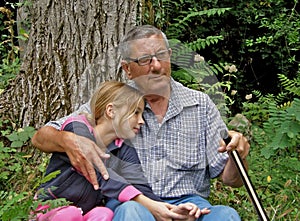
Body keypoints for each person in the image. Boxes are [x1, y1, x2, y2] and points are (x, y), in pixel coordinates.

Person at [32, 25, 250, 221]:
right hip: (136, 203)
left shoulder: (200, 105)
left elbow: (232, 180)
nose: (156, 66)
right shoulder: (116, 103)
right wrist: (68, 139)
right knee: (130, 214)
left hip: (190, 204)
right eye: (145, 60)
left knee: (227, 215)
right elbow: (41, 137)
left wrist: (236, 155)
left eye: (161, 56)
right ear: (127, 68)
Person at [34, 81, 206, 221]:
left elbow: (139, 186)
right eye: (136, 113)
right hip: (51, 206)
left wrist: (172, 211)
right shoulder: (77, 127)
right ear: (111, 111)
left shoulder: (123, 147)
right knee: (68, 214)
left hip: (84, 212)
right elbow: (104, 177)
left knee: (105, 214)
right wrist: (149, 204)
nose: (141, 122)